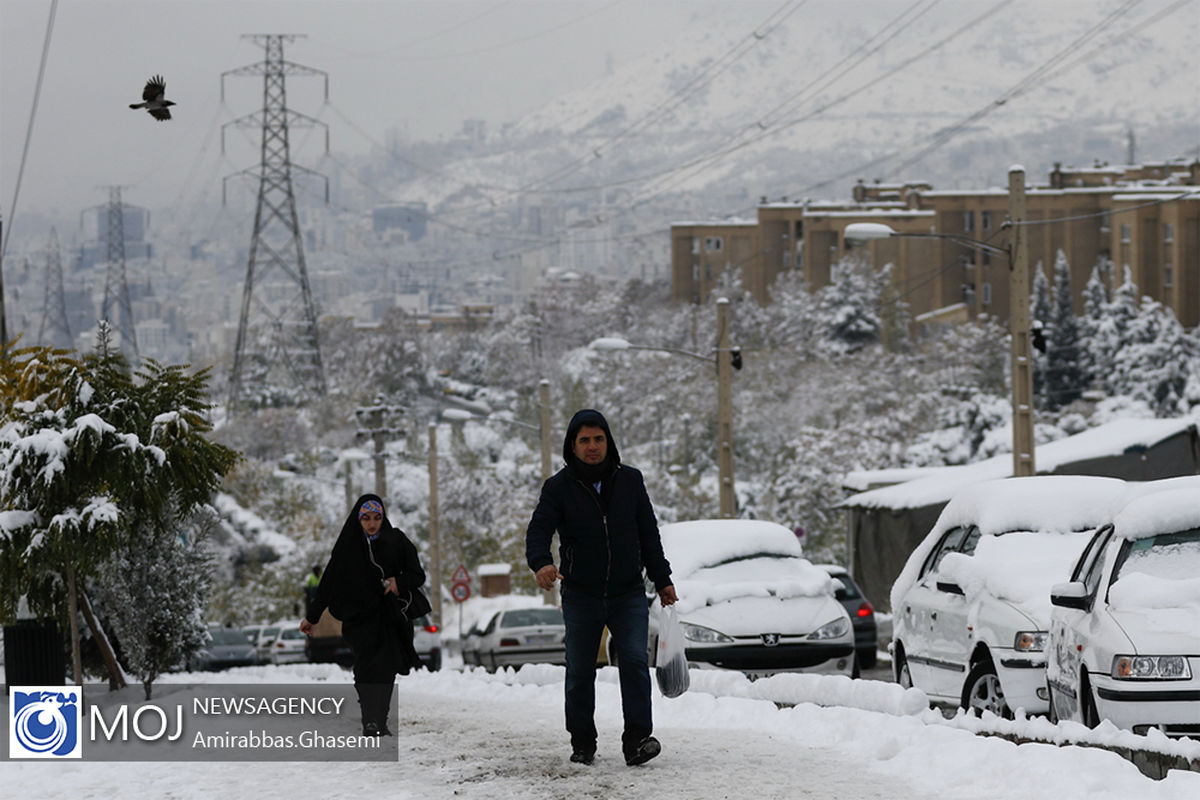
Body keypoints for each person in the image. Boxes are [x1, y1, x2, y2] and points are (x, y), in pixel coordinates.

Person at [525, 409, 678, 767]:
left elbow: (648, 534)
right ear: (572, 446)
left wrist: (663, 579)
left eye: (599, 439)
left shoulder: (631, 481)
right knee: (580, 670)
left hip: (628, 593)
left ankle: (637, 740)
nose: (592, 447)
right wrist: (541, 563)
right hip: (581, 594)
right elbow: (538, 531)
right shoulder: (558, 488)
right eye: (584, 441)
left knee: (635, 663)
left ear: (608, 441)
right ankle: (582, 742)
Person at [300, 494, 426, 736]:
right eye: (366, 518)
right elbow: (328, 584)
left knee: (387, 667)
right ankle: (369, 719)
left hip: (391, 615)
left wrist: (397, 582)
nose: (371, 523)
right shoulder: (348, 547)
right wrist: (312, 617)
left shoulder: (397, 540)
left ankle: (380, 719)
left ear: (383, 518)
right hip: (359, 618)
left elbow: (417, 575)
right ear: (358, 520)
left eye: (377, 518)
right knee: (367, 667)